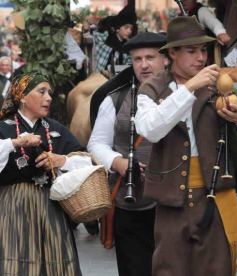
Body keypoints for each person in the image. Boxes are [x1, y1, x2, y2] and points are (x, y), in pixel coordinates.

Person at [135, 16, 237, 276]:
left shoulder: (219, 86)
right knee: (168, 270)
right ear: (172, 53)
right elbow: (150, 130)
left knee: (216, 270)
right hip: (170, 200)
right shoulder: (152, 88)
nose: (201, 57)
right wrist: (189, 87)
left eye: (203, 50)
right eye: (192, 51)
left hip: (213, 196)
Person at [87, 32, 168, 276]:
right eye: (137, 59)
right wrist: (118, 162)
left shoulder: (180, 95)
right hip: (129, 203)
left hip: (173, 205)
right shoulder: (115, 98)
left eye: (151, 57)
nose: (144, 64)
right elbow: (97, 142)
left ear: (166, 59)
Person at [0, 72, 92, 275]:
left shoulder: (55, 130)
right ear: (22, 96)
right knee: (15, 262)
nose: (48, 97)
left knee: (55, 263)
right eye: (41, 91)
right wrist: (15, 143)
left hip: (51, 207)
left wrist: (61, 160)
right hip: (13, 208)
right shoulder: (4, 128)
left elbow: (88, 161)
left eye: (49, 92)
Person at [94, 4, 136, 72]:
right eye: (126, 28)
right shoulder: (106, 39)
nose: (129, 31)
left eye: (131, 29)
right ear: (117, 29)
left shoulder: (129, 47)